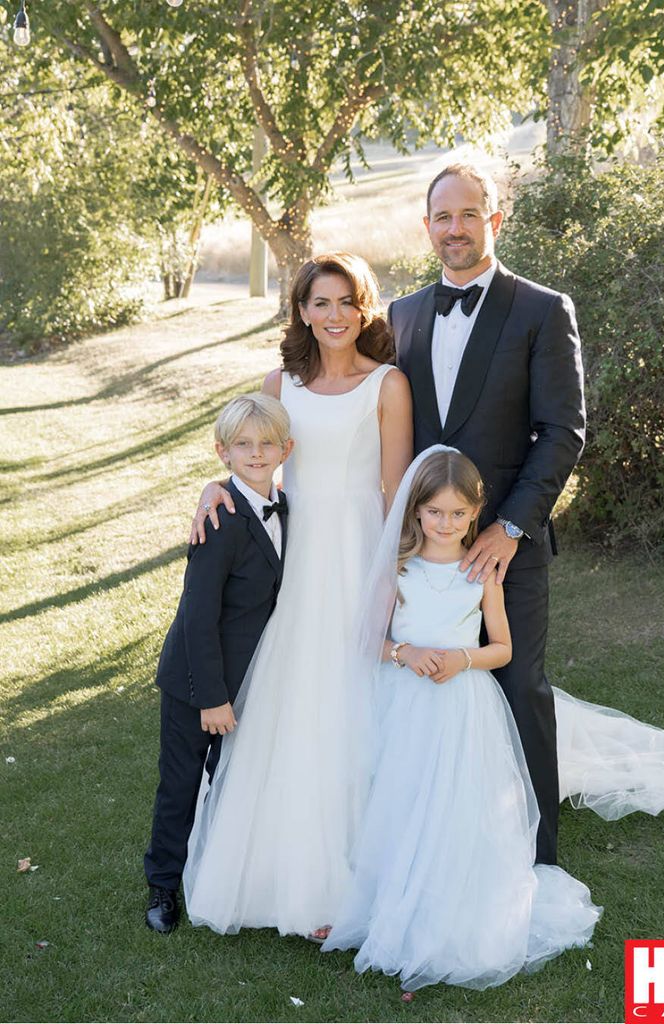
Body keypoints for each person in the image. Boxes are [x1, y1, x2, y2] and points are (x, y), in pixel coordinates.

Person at [181, 253, 413, 938]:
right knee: (297, 701)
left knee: (357, 697)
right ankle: (290, 874)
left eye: (346, 301)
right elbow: (256, 464)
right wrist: (211, 488)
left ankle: (360, 869)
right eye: (319, 302)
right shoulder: (279, 382)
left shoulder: (387, 386)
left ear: (363, 307)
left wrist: (393, 581)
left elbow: (395, 492)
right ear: (301, 311)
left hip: (359, 554)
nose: (333, 315)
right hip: (293, 559)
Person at [322, 447, 602, 991]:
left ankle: (444, 926)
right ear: (416, 512)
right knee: (403, 802)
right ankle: (391, 913)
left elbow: (502, 648)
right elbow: (365, 642)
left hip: (462, 708)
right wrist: (403, 652)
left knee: (454, 807)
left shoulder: (482, 572)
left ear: (475, 513)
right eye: (434, 512)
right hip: (404, 705)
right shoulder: (398, 570)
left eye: (456, 514)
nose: (445, 524)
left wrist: (462, 659)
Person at [388, 162, 586, 865]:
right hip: (423, 552)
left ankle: (536, 852)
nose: (454, 229)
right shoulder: (402, 314)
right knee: (423, 691)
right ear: (427, 226)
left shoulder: (540, 309)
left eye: (468, 214)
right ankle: (438, 835)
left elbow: (563, 430)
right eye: (442, 217)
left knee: (518, 685)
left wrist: (508, 527)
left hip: (506, 546)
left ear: (494, 220)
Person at [144, 392, 293, 933]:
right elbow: (197, 616)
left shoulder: (287, 508)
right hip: (197, 681)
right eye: (243, 445)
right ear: (222, 452)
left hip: (252, 676)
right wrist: (211, 696)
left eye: (267, 443)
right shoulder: (219, 519)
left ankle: (217, 867)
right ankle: (162, 883)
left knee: (228, 778)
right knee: (181, 782)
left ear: (286, 449)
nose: (256, 453)